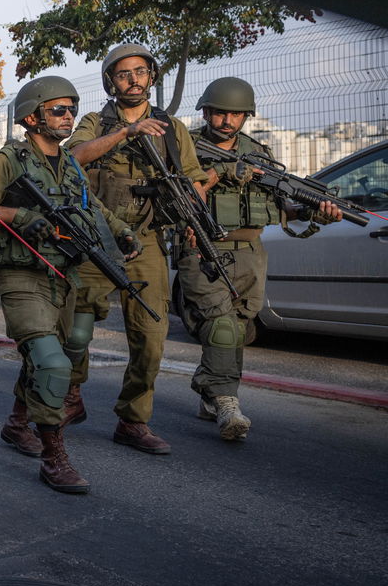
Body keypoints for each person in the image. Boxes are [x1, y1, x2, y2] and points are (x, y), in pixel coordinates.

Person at [0, 77, 140, 492]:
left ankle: (16, 422)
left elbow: (91, 207)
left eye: (72, 109)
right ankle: (54, 458)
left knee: (55, 351)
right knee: (51, 361)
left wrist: (121, 231)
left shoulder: (69, 165)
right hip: (19, 272)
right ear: (32, 116)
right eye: (58, 110)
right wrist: (21, 217)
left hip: (62, 272)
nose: (68, 117)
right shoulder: (9, 159)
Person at [65, 43, 210, 455]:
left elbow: (194, 179)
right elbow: (73, 158)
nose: (133, 80)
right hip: (97, 238)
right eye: (124, 73)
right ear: (111, 81)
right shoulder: (96, 122)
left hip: (146, 239)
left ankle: (133, 419)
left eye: (141, 72)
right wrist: (126, 133)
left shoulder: (172, 128)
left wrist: (195, 216)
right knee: (76, 331)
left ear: (151, 76)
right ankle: (71, 397)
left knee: (151, 336)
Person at [183, 77, 342, 441]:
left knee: (238, 327)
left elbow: (278, 206)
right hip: (203, 247)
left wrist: (314, 212)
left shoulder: (259, 153)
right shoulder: (188, 148)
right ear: (206, 112)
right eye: (220, 113)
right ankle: (227, 403)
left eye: (235, 114)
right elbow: (179, 193)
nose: (227, 121)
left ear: (246, 116)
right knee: (220, 325)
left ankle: (209, 391)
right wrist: (223, 171)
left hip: (251, 252)